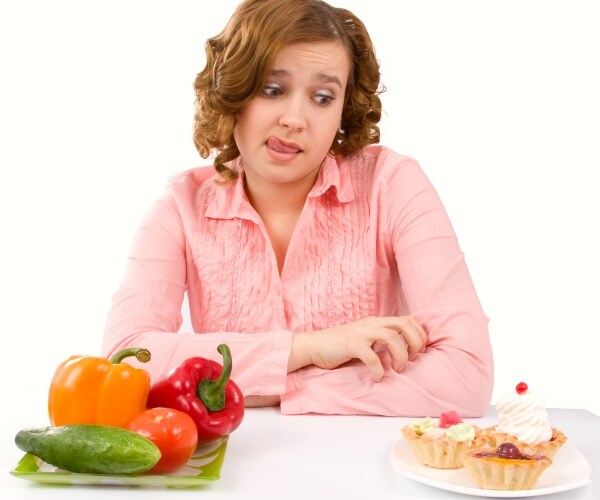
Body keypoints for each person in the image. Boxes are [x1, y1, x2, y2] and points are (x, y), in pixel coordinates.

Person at [102, 0, 493, 416]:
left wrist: (271, 386)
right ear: (235, 90)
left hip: (368, 467)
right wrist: (311, 348)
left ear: (344, 110)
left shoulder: (393, 185)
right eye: (273, 90)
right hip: (234, 465)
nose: (295, 118)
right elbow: (125, 359)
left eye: (323, 97)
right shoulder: (180, 208)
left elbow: (466, 374)